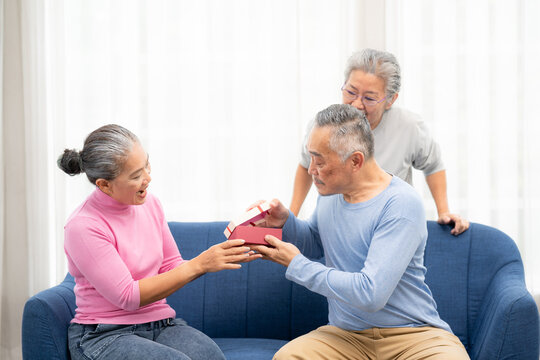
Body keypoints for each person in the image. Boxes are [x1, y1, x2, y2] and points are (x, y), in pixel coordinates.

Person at [252, 104, 470, 359]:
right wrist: (285, 222)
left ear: (355, 161)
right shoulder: (330, 193)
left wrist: (297, 265)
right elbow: (316, 241)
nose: (311, 170)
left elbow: (370, 294)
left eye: (320, 161)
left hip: (414, 337)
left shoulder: (400, 203)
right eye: (310, 157)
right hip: (346, 336)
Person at [58, 124, 261, 360]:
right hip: (104, 335)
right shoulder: (83, 225)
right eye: (136, 176)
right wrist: (199, 264)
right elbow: (128, 296)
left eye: (146, 165)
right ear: (104, 185)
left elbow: (170, 265)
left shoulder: (150, 204)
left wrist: (220, 255)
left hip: (159, 323)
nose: (148, 178)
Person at [290, 48, 469, 235]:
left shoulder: (410, 127)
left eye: (369, 98)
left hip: (387, 224)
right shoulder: (323, 126)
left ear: (390, 100)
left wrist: (444, 211)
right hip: (339, 226)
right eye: (351, 92)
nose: (357, 104)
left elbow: (433, 165)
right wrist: (291, 216)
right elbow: (306, 165)